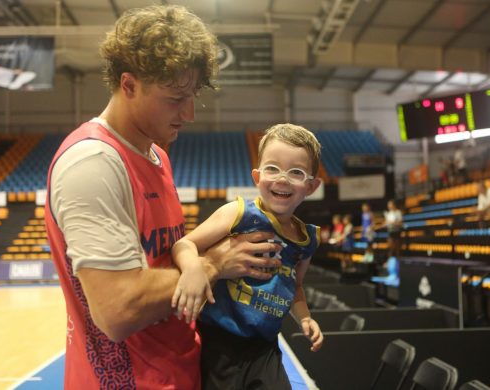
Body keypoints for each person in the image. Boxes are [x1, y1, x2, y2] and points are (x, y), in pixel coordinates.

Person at [44, 5, 281, 389]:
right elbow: (117, 309)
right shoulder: (93, 163)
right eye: (175, 99)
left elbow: (162, 263)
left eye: (193, 97)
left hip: (177, 372)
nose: (188, 114)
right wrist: (214, 264)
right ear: (129, 84)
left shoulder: (158, 156)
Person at [171, 123, 324, 389]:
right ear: (257, 176)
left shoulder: (307, 240)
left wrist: (305, 318)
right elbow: (183, 245)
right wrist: (194, 269)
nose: (282, 179)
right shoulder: (239, 214)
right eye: (272, 168)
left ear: (311, 186)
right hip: (219, 342)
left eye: (296, 172)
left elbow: (295, 286)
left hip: (264, 347)